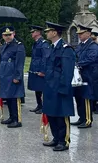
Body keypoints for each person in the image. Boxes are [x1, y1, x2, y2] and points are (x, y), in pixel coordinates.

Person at [42, 22, 75, 152]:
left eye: (48, 31)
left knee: (61, 115)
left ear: (54, 33)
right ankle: (56, 138)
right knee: (52, 114)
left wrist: (63, 88)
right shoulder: (52, 47)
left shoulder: (66, 49)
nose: (47, 33)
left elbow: (67, 72)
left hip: (60, 88)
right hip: (50, 87)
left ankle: (64, 140)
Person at [0, 26, 25, 128]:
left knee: (14, 98)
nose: (8, 37)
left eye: (9, 35)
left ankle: (17, 120)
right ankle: (11, 117)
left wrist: (18, 76)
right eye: (5, 35)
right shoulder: (4, 46)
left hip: (13, 75)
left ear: (14, 34)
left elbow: (20, 63)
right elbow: (1, 61)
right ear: (2, 36)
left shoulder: (18, 46)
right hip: (5, 75)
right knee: (8, 98)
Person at [71, 24, 98, 128]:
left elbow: (91, 59)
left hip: (89, 76)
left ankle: (87, 120)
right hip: (79, 76)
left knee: (87, 98)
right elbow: (75, 55)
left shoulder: (93, 46)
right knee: (79, 98)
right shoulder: (81, 45)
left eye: (81, 33)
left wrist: (78, 64)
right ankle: (81, 118)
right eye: (78, 34)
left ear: (88, 34)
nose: (79, 35)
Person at [27, 25, 51, 114]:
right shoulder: (36, 43)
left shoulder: (44, 44)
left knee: (42, 88)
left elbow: (45, 58)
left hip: (40, 69)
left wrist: (43, 70)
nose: (32, 34)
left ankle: (44, 106)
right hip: (35, 68)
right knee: (37, 88)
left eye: (33, 32)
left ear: (38, 32)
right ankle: (39, 105)